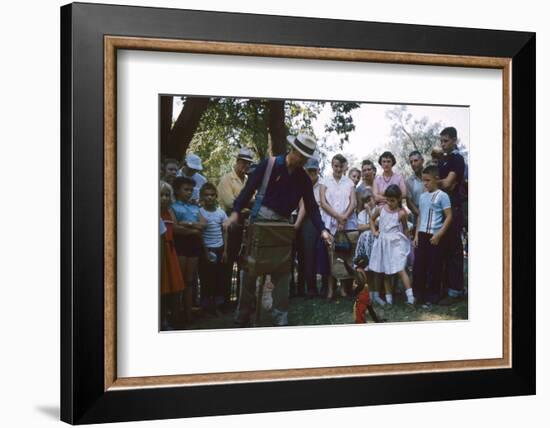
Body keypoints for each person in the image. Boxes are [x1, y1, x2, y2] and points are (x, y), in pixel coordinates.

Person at [224, 133, 333, 327]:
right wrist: (235, 212)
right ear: (293, 150)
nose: (303, 161)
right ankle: (243, 314)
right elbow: (248, 189)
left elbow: (312, 207)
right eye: (301, 156)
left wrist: (323, 230)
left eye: (307, 158)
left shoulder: (303, 179)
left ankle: (280, 315)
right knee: (249, 270)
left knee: (283, 272)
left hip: (283, 225)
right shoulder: (270, 164)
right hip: (261, 220)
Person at [217, 147, 254, 307]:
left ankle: (240, 301)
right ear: (237, 161)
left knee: (243, 264)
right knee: (227, 263)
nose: (246, 166)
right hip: (231, 226)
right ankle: (224, 301)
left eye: (248, 163)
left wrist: (243, 203)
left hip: (245, 225)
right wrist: (246, 204)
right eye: (243, 162)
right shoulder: (227, 179)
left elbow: (252, 201)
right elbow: (229, 203)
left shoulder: (248, 181)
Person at [413, 165, 452, 307]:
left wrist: (439, 235)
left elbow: (449, 217)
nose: (425, 183)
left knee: (434, 267)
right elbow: (420, 216)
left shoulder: (443, 196)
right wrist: (416, 235)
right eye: (424, 180)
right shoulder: (423, 196)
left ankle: (433, 296)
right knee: (419, 266)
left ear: (436, 179)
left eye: (428, 180)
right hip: (422, 235)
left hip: (435, 236)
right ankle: (419, 295)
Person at [369, 185, 415, 305]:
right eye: (388, 200)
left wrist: (408, 243)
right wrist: (374, 231)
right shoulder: (380, 209)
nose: (390, 203)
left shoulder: (401, 213)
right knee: (386, 270)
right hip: (383, 242)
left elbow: (405, 229)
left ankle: (410, 297)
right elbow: (372, 219)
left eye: (393, 200)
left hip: (395, 243)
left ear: (399, 199)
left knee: (400, 269)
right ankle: (389, 299)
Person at [320, 154, 357, 300]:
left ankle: (343, 288)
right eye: (335, 165)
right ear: (332, 165)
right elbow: (323, 203)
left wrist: (344, 218)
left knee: (343, 255)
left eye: (340, 166)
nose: (338, 169)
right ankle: (330, 289)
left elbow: (353, 203)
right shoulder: (325, 181)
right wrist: (338, 217)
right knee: (330, 256)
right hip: (330, 223)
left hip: (345, 224)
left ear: (344, 167)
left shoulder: (349, 183)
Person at [437, 126, 466, 305]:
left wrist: (435, 182)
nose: (443, 144)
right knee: (444, 250)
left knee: (455, 250)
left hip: (454, 209)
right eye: (441, 141)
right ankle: (447, 288)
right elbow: (445, 183)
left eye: (446, 141)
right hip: (442, 208)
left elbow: (448, 184)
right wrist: (439, 183)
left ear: (454, 140)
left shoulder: (457, 158)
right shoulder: (443, 161)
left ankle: (456, 291)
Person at [171, 176, 206, 323]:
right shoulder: (173, 207)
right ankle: (176, 315)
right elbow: (174, 228)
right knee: (179, 281)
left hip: (194, 246)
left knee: (190, 281)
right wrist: (193, 229)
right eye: (186, 189)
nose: (189, 192)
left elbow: (203, 224)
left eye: (191, 190)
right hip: (181, 245)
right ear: (178, 190)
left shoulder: (195, 207)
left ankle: (188, 314)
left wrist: (187, 223)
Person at [294, 157, 331, 299]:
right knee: (308, 254)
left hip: (324, 221)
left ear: (318, 170)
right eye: (308, 171)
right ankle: (311, 287)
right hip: (307, 221)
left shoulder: (323, 185)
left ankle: (325, 286)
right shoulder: (301, 184)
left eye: (313, 171)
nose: (311, 174)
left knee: (324, 254)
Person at [198, 183, 228, 316]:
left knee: (219, 278)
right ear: (201, 196)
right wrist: (205, 252)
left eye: (212, 195)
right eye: (206, 195)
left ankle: (218, 306)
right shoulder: (199, 212)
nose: (209, 197)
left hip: (219, 248)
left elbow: (225, 232)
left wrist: (225, 251)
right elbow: (199, 234)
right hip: (206, 249)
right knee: (206, 279)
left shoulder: (221, 213)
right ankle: (205, 306)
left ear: (216, 196)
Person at [160, 181, 186, 330]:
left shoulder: (169, 213)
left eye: (167, 195)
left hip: (170, 252)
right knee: (161, 289)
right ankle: (161, 319)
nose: (164, 198)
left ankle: (170, 319)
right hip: (161, 253)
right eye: (161, 195)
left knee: (173, 288)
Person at [405, 150, 425, 226]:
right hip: (418, 219)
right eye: (411, 162)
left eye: (416, 160)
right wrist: (419, 214)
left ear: (422, 161)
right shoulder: (409, 181)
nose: (413, 164)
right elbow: (409, 203)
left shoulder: (431, 176)